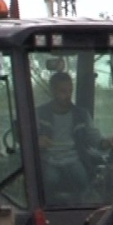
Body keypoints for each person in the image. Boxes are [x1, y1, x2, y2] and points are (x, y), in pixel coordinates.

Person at [36, 71, 105, 203]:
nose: (67, 95)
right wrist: (36, 142)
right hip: (48, 160)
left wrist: (105, 143)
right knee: (49, 181)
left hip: (73, 159)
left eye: (69, 91)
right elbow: (24, 137)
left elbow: (94, 137)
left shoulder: (81, 114)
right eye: (63, 91)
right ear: (52, 91)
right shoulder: (39, 114)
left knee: (84, 182)